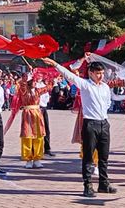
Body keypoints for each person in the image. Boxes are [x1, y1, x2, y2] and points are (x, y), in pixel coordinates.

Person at [43, 56, 118, 198]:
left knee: (104, 156)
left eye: (102, 73)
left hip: (104, 123)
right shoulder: (85, 85)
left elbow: (108, 103)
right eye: (97, 73)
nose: (100, 76)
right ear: (90, 73)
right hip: (90, 123)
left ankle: (104, 183)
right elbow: (68, 75)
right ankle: (88, 184)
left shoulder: (105, 87)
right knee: (88, 156)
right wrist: (55, 63)